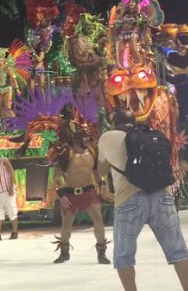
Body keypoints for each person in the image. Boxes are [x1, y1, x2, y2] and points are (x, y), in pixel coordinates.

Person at [98, 109, 188, 291]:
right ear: (134, 121)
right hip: (162, 196)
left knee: (123, 256)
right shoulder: (151, 134)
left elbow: (101, 170)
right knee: (178, 250)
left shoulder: (107, 138)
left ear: (114, 123)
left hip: (129, 199)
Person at [51, 105, 109, 264]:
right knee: (66, 225)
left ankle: (101, 253)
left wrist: (102, 184)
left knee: (98, 220)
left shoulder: (91, 152)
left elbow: (97, 171)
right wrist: (61, 194)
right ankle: (64, 252)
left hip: (89, 191)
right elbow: (56, 178)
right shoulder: (66, 154)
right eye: (84, 137)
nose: (87, 140)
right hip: (70, 193)